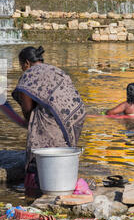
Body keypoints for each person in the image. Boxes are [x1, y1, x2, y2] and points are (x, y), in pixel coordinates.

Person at [12, 46, 86, 195]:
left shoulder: (29, 75)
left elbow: (27, 109)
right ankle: (64, 179)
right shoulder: (54, 70)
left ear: (27, 63)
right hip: (76, 112)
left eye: (21, 66)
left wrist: (29, 122)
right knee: (61, 145)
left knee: (40, 128)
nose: (22, 69)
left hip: (56, 112)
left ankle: (40, 183)